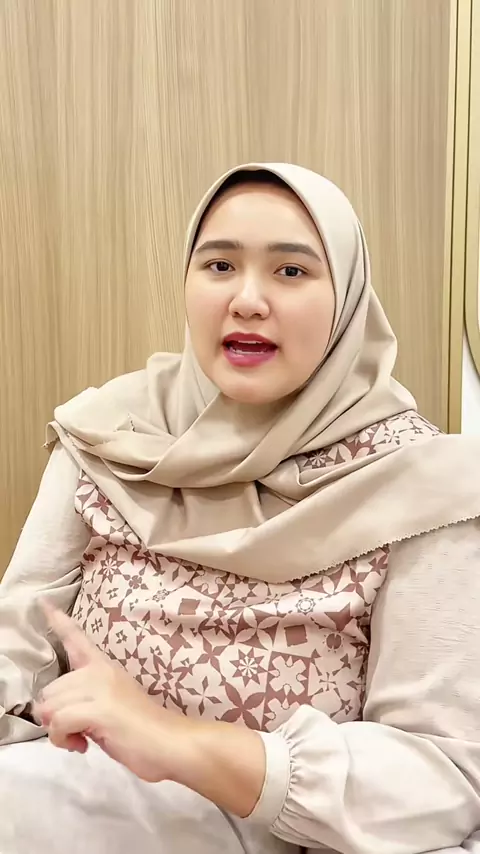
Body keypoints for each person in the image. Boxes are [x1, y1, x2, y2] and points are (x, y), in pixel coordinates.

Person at [1, 162, 480, 854]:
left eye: (291, 271)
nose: (248, 300)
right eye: (220, 265)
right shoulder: (112, 433)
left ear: (347, 296)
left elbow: (443, 776)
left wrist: (179, 743)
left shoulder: (427, 486)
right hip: (73, 801)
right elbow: (15, 645)